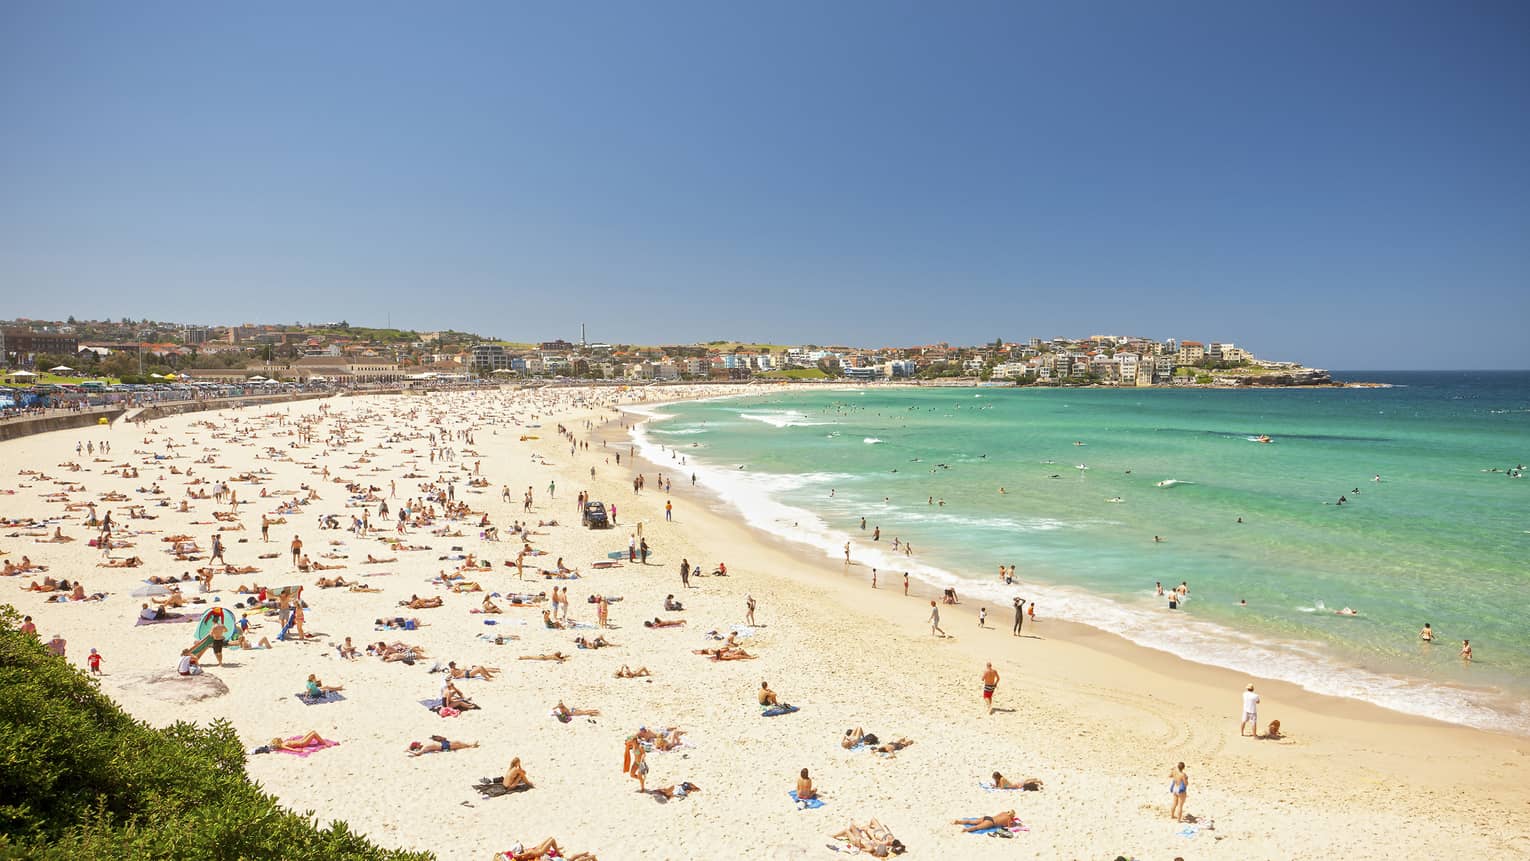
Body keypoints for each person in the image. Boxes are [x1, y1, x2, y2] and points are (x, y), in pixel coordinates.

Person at [953, 810, 1018, 832]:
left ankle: (958, 822)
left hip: (987, 817)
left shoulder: (1003, 812)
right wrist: (1013, 824)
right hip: (990, 822)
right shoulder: (1009, 819)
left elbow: (999, 818)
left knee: (971, 821)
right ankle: (966, 830)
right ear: (1012, 816)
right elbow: (1009, 827)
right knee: (977, 827)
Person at [408, 735, 478, 756]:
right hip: (444, 747)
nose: (419, 743)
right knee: (459, 745)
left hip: (443, 743)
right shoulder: (424, 748)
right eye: (417, 744)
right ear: (417, 746)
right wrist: (409, 750)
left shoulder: (424, 745)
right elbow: (418, 753)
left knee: (458, 742)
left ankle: (470, 745)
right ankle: (471, 745)